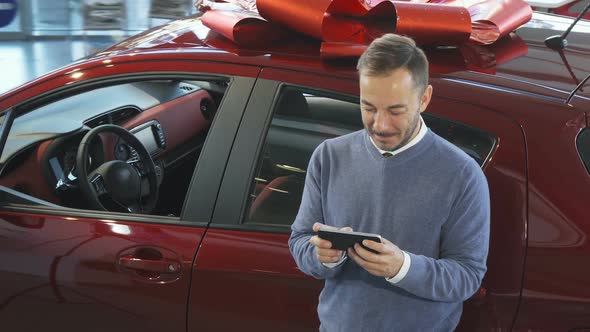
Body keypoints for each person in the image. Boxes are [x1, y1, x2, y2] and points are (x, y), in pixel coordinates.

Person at [288, 33, 490, 331]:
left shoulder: (463, 175)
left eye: (395, 111)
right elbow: (300, 240)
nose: (380, 125)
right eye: (368, 108)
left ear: (424, 99)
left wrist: (403, 268)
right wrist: (322, 257)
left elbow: (467, 276)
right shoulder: (329, 157)